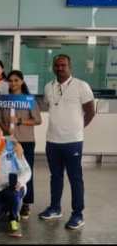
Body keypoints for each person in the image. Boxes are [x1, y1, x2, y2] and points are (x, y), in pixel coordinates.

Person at [39, 54, 95, 230]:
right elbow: (48, 105)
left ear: (70, 67)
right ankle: (55, 208)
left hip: (73, 142)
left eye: (63, 65)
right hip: (52, 140)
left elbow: (90, 111)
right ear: (53, 67)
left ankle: (78, 214)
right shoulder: (49, 87)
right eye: (57, 65)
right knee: (55, 176)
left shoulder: (81, 86)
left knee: (75, 178)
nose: (60, 68)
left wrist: (77, 129)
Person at [0, 70, 42, 218]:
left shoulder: (29, 99)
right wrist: (6, 132)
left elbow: (38, 120)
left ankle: (26, 204)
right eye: (10, 80)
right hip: (8, 140)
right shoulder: (4, 100)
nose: (13, 83)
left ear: (22, 81)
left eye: (16, 80)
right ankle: (10, 202)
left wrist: (20, 121)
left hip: (26, 140)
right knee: (9, 172)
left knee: (26, 172)